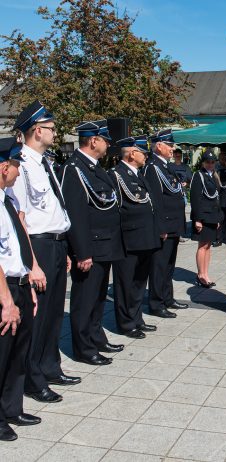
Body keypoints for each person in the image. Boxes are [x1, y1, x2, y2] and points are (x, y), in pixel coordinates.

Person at [9, 101, 80, 405]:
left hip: (55, 243)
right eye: (51, 128)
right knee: (37, 319)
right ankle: (33, 379)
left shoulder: (45, 163)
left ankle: (50, 366)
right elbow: (21, 218)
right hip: (37, 246)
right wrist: (32, 264)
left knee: (52, 314)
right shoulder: (21, 165)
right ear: (37, 130)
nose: (55, 132)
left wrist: (62, 246)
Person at [60, 120, 125, 366]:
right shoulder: (74, 168)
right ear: (94, 140)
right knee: (84, 299)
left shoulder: (96, 168)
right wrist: (81, 252)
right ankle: (83, 348)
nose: (109, 145)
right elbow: (75, 214)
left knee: (98, 297)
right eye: (106, 140)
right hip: (90, 248)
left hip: (105, 244)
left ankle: (96, 336)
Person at [0, 137, 41, 441]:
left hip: (20, 285)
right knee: (1, 355)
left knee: (18, 352)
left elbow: (18, 250)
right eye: (15, 165)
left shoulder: (9, 201)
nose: (18, 171)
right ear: (4, 167)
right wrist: (6, 301)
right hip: (4, 291)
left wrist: (29, 288)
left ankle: (12, 408)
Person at [108, 136, 160, 339]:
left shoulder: (139, 174)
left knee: (139, 282)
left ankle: (136, 317)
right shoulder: (115, 175)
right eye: (142, 152)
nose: (146, 155)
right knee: (125, 284)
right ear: (131, 154)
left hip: (145, 237)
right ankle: (126, 323)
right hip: (128, 240)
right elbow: (116, 209)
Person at [144, 129, 188, 318]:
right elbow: (156, 201)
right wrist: (160, 227)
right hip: (164, 226)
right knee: (159, 266)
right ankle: (156, 303)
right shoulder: (153, 167)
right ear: (159, 146)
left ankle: (167, 298)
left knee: (169, 264)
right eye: (169, 145)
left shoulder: (166, 167)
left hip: (174, 225)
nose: (172, 148)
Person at [190, 151, 224, 288]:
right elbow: (195, 198)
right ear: (203, 163)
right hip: (203, 216)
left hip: (212, 216)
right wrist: (197, 219)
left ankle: (206, 273)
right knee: (202, 246)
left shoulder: (214, 176)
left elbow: (216, 198)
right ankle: (200, 275)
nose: (210, 164)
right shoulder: (198, 175)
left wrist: (217, 218)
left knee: (208, 246)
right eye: (208, 162)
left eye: (212, 162)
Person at [170, 147, 192, 242]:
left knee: (181, 214)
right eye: (176, 155)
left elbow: (190, 179)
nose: (178, 157)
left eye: (179, 155)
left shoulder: (185, 167)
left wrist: (186, 184)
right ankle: (175, 233)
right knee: (173, 214)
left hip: (182, 193)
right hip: (172, 193)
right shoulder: (169, 166)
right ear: (173, 156)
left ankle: (181, 233)